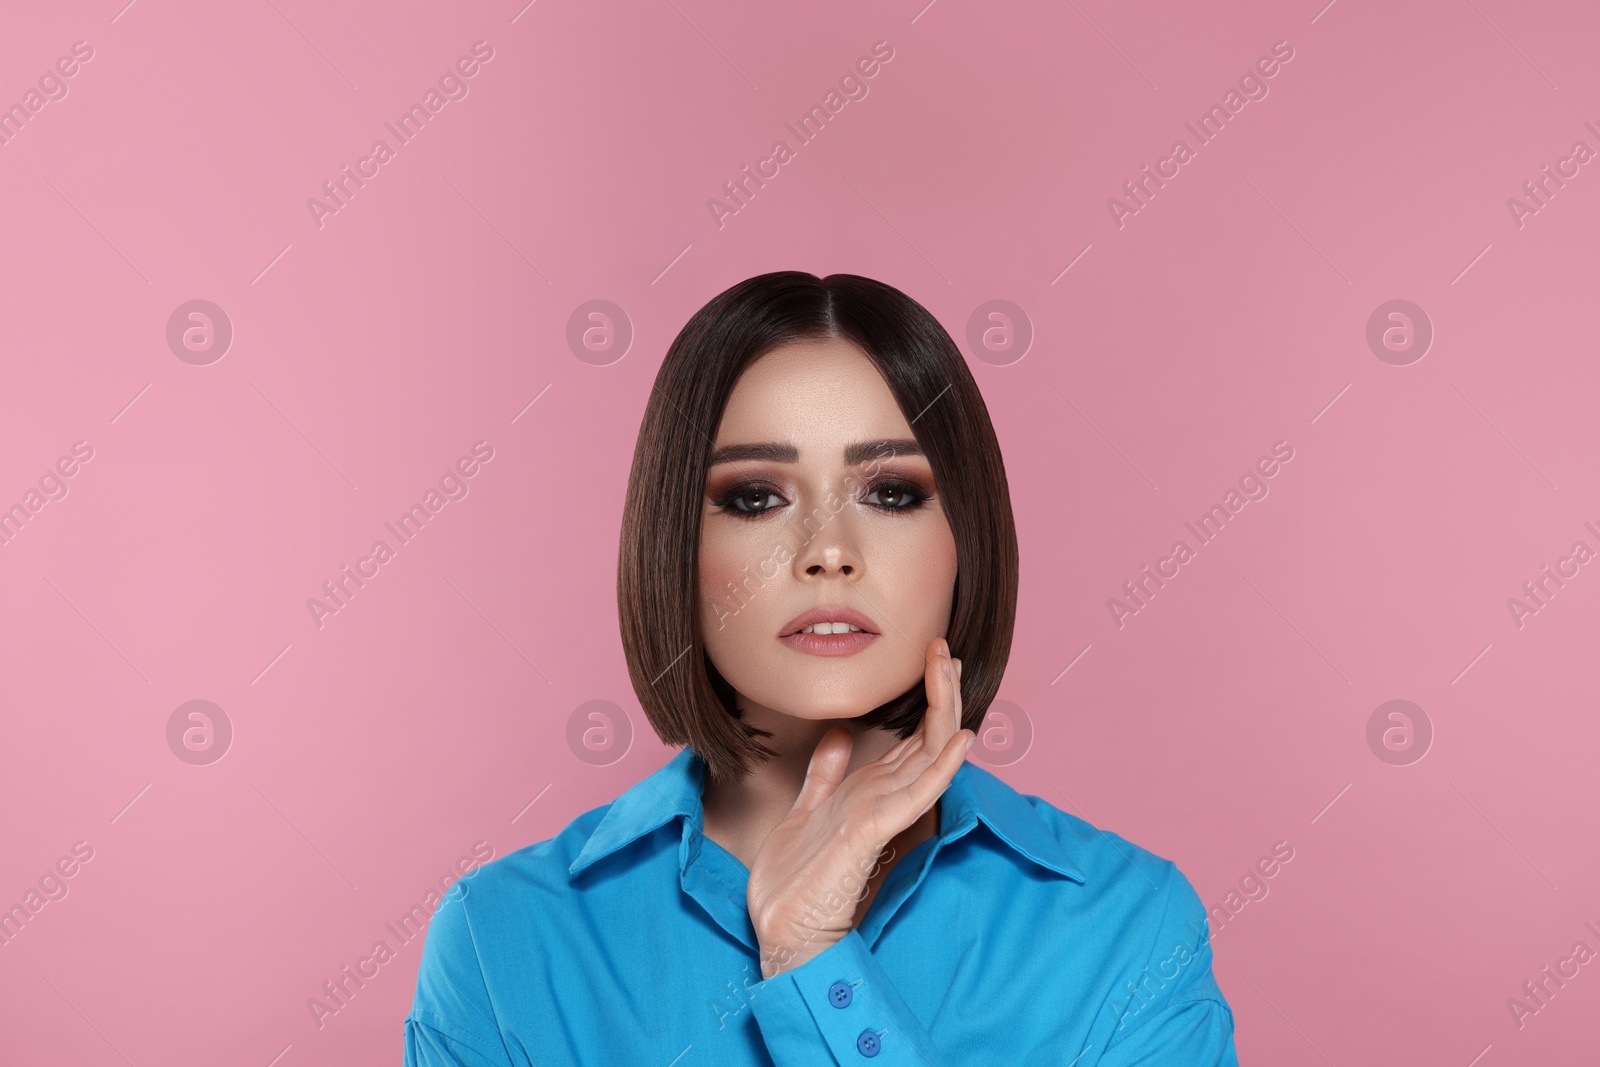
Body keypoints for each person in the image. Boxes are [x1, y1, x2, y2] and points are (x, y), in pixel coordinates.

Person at [402, 271, 1240, 1065]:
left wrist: (811, 957)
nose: (829, 552)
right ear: (676, 549)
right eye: (757, 497)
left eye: (891, 492)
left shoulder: (1125, 925)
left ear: (965, 544)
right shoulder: (503, 941)